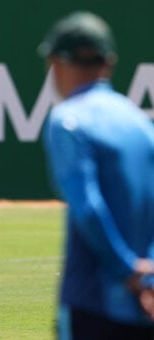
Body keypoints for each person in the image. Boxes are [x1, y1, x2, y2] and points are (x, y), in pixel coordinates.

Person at [39, 11, 154, 339]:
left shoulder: (68, 120)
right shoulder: (141, 124)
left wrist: (127, 269)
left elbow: (87, 206)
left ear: (56, 64)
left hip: (92, 305)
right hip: (145, 304)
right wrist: (148, 278)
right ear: (110, 62)